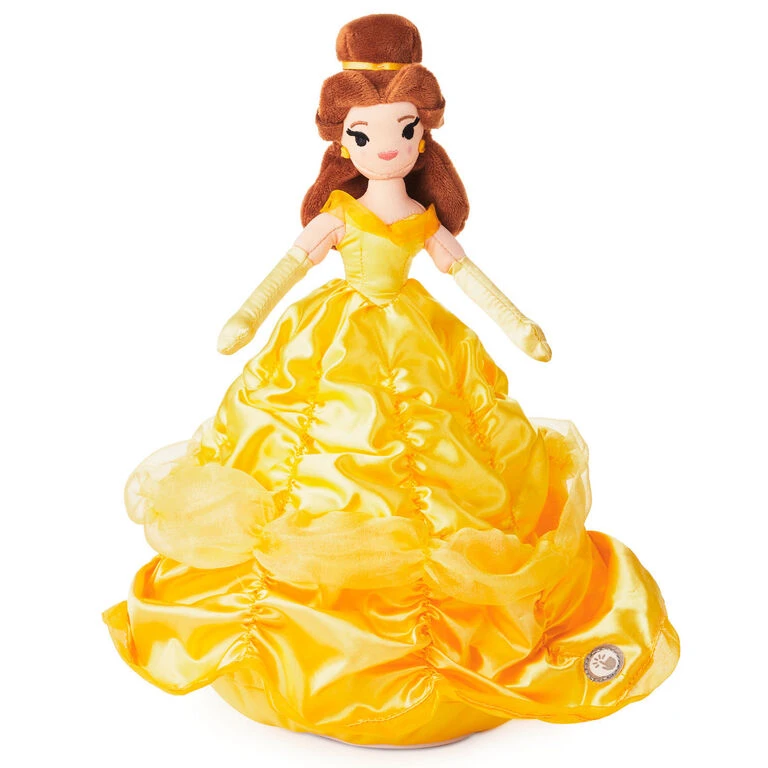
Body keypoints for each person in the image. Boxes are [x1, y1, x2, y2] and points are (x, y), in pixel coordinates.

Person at [102, 13, 679, 749]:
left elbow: (467, 275)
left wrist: (520, 325)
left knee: (450, 456)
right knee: (302, 453)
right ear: (342, 142)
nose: (385, 148)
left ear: (422, 137)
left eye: (403, 131)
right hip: (332, 336)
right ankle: (298, 636)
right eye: (364, 135)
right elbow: (286, 269)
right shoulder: (339, 214)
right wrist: (245, 318)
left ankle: (429, 647)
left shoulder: (419, 215)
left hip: (418, 337)